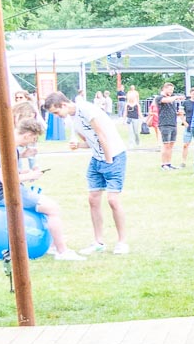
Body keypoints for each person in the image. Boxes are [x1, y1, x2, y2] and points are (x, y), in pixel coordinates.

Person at [40, 91, 130, 255]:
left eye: (56, 112)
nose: (57, 116)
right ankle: (98, 242)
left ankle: (122, 242)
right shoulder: (72, 120)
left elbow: (102, 135)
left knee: (113, 200)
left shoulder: (87, 109)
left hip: (114, 156)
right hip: (97, 158)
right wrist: (78, 146)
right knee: (93, 199)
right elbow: (90, 142)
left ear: (64, 105)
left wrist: (108, 160)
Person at [0, 118, 85, 262]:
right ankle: (62, 251)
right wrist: (31, 175)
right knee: (53, 208)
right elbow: (4, 179)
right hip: (5, 194)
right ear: (27, 135)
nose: (32, 142)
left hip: (5, 191)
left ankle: (53, 246)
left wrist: (26, 172)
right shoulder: (8, 148)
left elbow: (9, 174)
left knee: (50, 207)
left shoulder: (5, 145)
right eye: (33, 138)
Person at [156, 82, 184, 170]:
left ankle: (168, 163)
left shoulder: (171, 99)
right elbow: (166, 100)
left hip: (173, 124)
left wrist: (178, 113)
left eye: (172, 90)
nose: (171, 91)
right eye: (169, 89)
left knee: (171, 145)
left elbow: (171, 109)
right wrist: (176, 97)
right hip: (165, 124)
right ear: (164, 89)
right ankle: (163, 164)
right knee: (166, 145)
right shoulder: (159, 98)